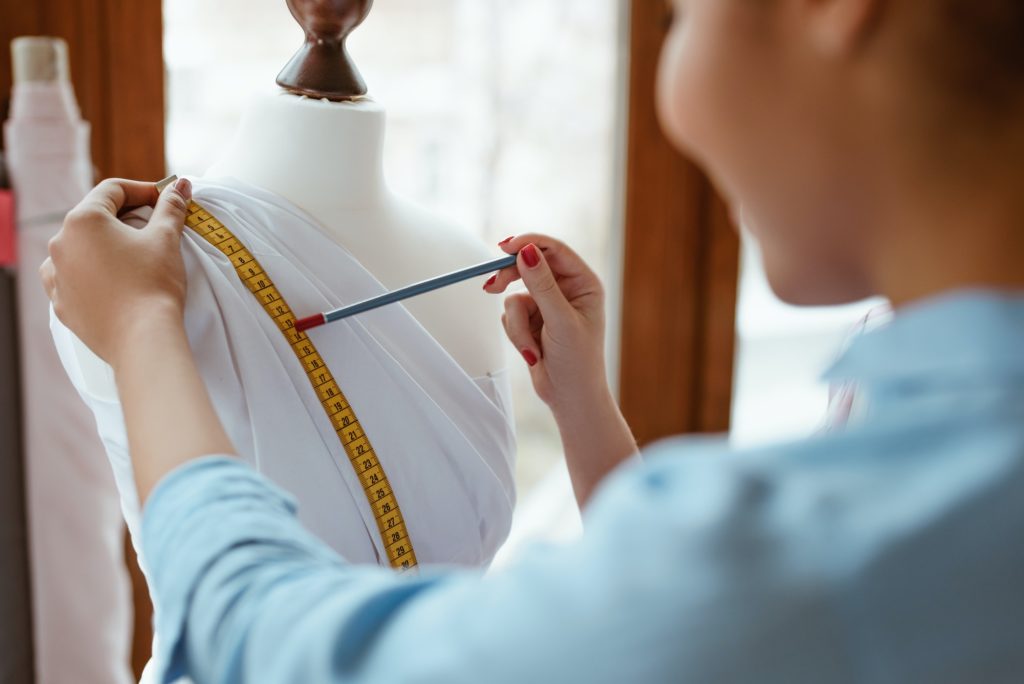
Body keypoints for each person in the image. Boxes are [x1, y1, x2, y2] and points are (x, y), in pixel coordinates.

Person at [41, 0, 1024, 681]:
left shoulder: (850, 547)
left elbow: (275, 654)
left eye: (680, 15)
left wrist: (139, 330)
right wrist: (585, 412)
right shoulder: (941, 472)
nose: (674, 106)